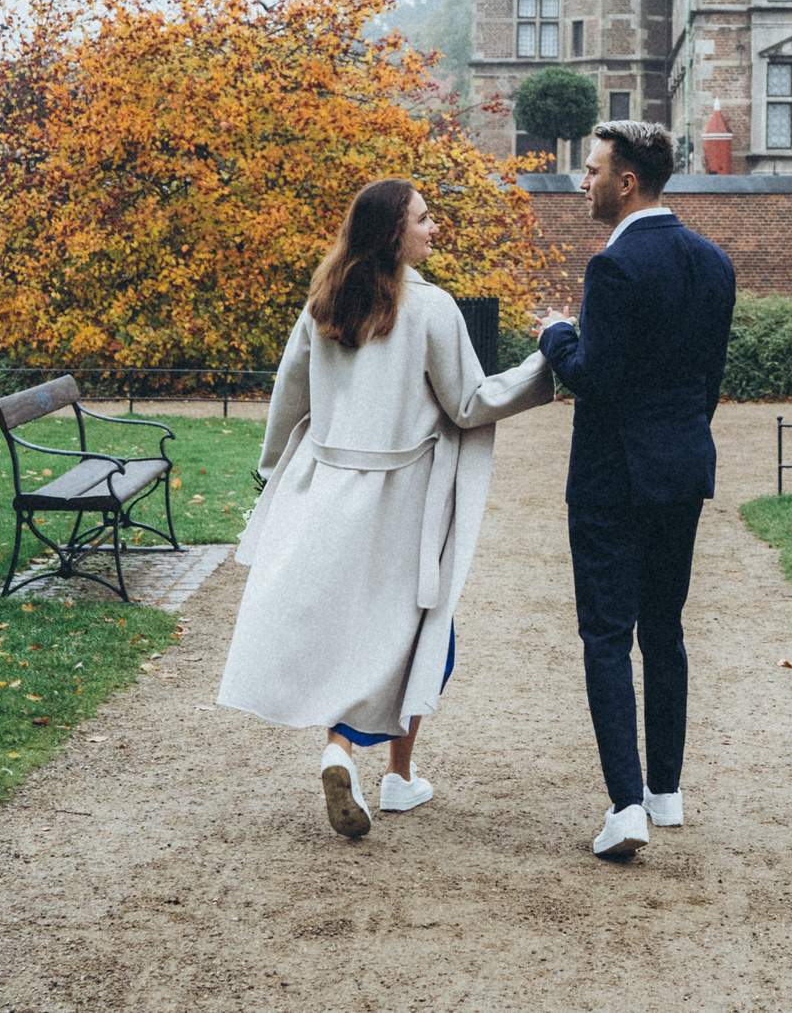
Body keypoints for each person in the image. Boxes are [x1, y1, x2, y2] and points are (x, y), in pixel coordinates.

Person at [216, 178, 556, 840]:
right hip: (400, 498)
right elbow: (468, 402)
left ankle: (392, 772)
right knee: (421, 633)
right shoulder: (431, 309)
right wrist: (546, 365)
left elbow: (289, 400)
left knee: (363, 632)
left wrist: (269, 476)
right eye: (424, 219)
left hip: (327, 488)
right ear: (393, 233)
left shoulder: (323, 304)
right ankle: (348, 750)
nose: (436, 229)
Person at [536, 121, 736, 861]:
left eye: (590, 171)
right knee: (666, 630)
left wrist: (555, 331)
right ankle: (667, 792)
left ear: (626, 182)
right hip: (682, 469)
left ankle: (625, 807)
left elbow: (592, 376)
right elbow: (708, 382)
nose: (580, 182)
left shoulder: (613, 267)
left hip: (612, 478)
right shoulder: (714, 263)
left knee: (606, 635)